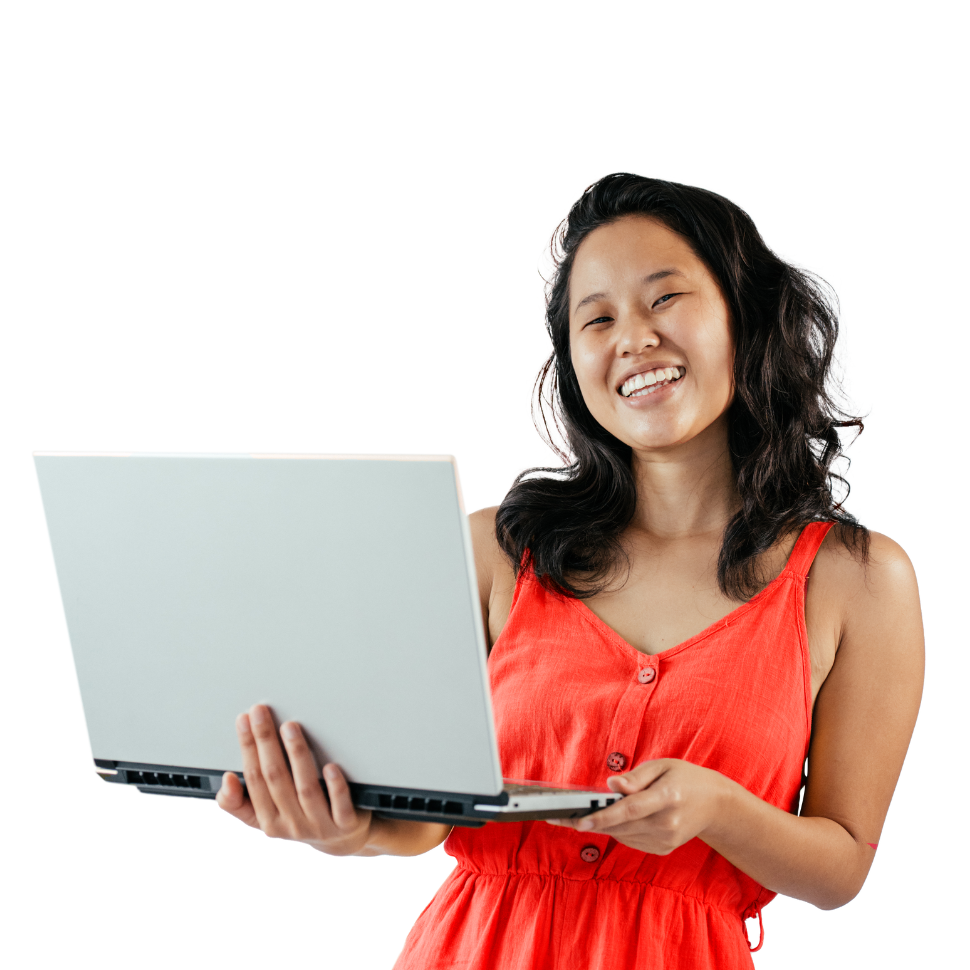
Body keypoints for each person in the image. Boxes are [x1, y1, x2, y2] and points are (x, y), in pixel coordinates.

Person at [214, 171, 926, 968]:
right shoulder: (497, 548)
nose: (634, 339)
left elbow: (840, 870)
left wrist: (720, 811)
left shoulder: (857, 581)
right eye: (598, 319)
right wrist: (351, 829)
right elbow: (431, 817)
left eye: (664, 299)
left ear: (747, 315)